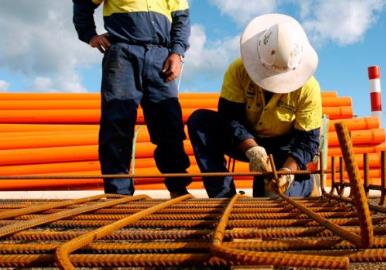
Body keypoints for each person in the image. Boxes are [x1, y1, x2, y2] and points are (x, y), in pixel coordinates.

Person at [187, 14, 322, 198]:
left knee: (272, 196)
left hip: (284, 150)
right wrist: (252, 148)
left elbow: (307, 141)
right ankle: (222, 196)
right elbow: (229, 116)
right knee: (200, 121)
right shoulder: (238, 71)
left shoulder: (308, 88)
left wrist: (287, 172)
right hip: (246, 139)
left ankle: (304, 183)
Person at [73, 0, 192, 197]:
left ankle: (178, 187)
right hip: (123, 53)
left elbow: (181, 19)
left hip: (161, 55)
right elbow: (82, 4)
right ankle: (118, 193)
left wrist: (177, 53)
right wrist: (89, 35)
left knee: (169, 124)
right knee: (117, 122)